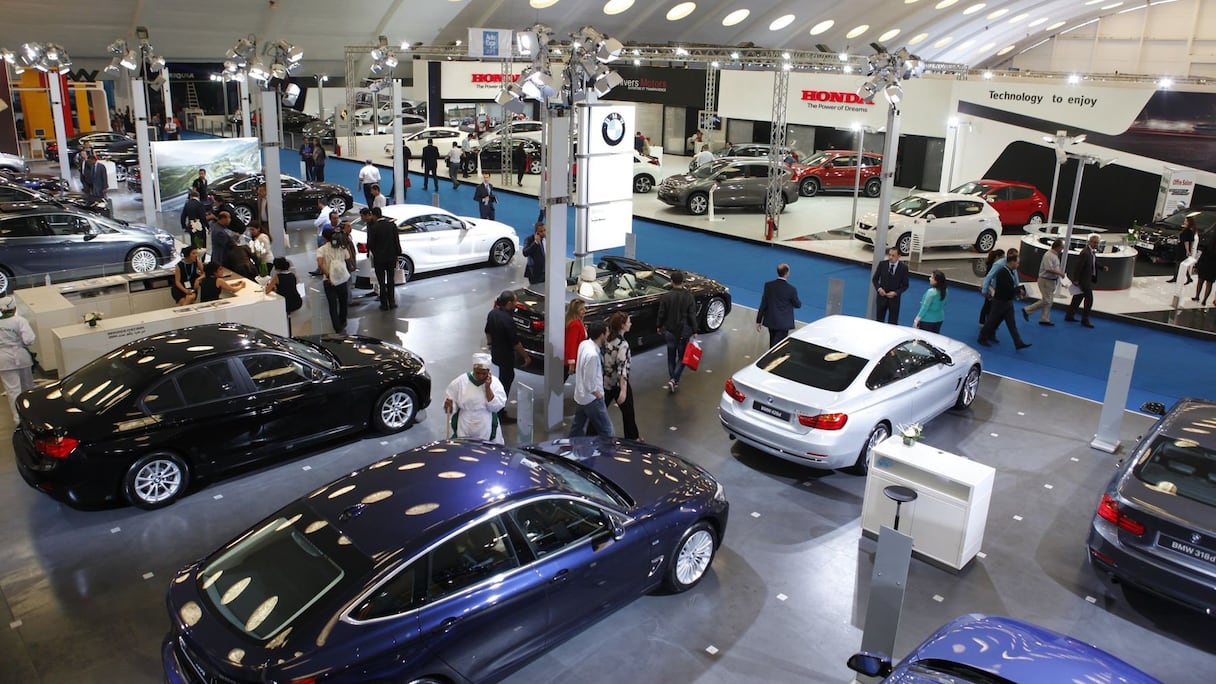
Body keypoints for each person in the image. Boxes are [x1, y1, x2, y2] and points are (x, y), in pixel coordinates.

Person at [485, 290, 530, 423]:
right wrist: (526, 356)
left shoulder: (492, 313)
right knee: (506, 380)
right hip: (506, 356)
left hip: (496, 353)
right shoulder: (508, 320)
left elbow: (487, 331)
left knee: (502, 378)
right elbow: (515, 343)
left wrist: (490, 344)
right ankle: (499, 410)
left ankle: (498, 407)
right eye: (515, 301)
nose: (516, 304)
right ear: (509, 303)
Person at [444, 353, 508, 443]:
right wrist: (450, 406)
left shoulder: (495, 383)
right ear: (473, 369)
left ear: (489, 371)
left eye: (484, 373)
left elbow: (496, 407)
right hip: (465, 423)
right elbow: (451, 402)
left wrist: (488, 388)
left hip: (485, 422)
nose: (480, 376)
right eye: (477, 373)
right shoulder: (461, 381)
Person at [568, 322, 614, 438]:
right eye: (607, 332)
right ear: (601, 335)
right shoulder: (593, 355)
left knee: (576, 430)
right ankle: (608, 454)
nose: (608, 334)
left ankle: (571, 451)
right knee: (608, 432)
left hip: (581, 396)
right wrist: (598, 394)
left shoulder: (584, 344)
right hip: (592, 399)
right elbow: (589, 382)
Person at [979, 253, 1031, 350]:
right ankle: (982, 338)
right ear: (1012, 262)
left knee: (1011, 324)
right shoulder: (1002, 272)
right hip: (1000, 301)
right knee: (991, 321)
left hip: (1007, 302)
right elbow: (1006, 288)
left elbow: (1011, 287)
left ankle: (1018, 342)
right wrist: (1019, 291)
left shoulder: (1010, 272)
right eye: (1017, 263)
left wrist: (1018, 291)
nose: (1018, 265)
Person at [656, 270, 697, 393]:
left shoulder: (666, 296)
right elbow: (692, 315)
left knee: (671, 356)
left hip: (670, 330)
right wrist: (695, 329)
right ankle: (674, 379)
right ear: (682, 281)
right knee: (683, 357)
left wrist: (659, 326)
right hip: (684, 331)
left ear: (671, 281)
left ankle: (673, 379)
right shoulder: (689, 296)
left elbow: (661, 314)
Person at [603, 312, 639, 439]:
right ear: (623, 325)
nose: (631, 323)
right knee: (628, 413)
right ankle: (632, 440)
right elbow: (622, 367)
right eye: (629, 322)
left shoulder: (607, 340)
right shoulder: (623, 344)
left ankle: (590, 437)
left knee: (601, 411)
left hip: (606, 382)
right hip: (618, 384)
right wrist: (623, 390)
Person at [0, 296, 35, 424]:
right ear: (14, 308)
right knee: (28, 387)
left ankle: (18, 419)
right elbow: (29, 339)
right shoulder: (20, 321)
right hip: (21, 356)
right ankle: (31, 414)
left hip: (3, 359)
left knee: (12, 390)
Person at [756, 263, 801, 347]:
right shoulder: (791, 289)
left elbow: (764, 303)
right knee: (777, 347)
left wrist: (758, 320)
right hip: (783, 324)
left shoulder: (769, 286)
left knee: (772, 344)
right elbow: (798, 304)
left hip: (771, 321)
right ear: (787, 273)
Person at [366, 206, 401, 310]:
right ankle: (392, 302)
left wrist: (376, 253)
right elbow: (396, 241)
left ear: (374, 215)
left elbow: (370, 244)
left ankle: (384, 304)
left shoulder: (374, 228)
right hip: (391, 258)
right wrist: (397, 254)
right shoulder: (392, 226)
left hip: (379, 259)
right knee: (391, 280)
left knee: (381, 282)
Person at [1066, 234, 1105, 328]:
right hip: (1084, 281)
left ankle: (1069, 315)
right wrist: (1075, 279)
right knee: (1089, 300)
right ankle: (1085, 319)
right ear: (1090, 242)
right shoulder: (1085, 253)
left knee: (1077, 298)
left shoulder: (1091, 252)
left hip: (1087, 279)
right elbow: (1078, 267)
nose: (1096, 244)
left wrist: (1101, 267)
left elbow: (1093, 263)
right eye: (1095, 242)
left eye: (1097, 243)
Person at [316, 228, 351, 332]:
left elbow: (320, 264)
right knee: (343, 301)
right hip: (342, 279)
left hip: (328, 281)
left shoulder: (321, 249)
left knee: (332, 305)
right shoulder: (341, 247)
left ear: (324, 237)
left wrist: (328, 275)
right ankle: (343, 321)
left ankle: (337, 327)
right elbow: (348, 257)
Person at [1024, 239, 1065, 326]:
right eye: (1062, 247)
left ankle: (1044, 319)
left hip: (1051, 281)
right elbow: (1048, 268)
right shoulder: (1049, 255)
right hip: (1045, 280)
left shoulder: (1054, 255)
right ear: (1058, 247)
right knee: (1047, 300)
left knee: (1049, 301)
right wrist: (1060, 273)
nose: (1062, 249)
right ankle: (1027, 310)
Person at [872, 247, 909, 324]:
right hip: (881, 298)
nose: (890, 257)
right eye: (889, 255)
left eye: (893, 255)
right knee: (879, 321)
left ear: (899, 256)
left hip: (894, 300)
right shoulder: (882, 264)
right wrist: (879, 289)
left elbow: (905, 285)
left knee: (893, 323)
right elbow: (875, 279)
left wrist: (895, 293)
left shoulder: (903, 268)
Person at [265, 257, 303, 331]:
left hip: (286, 304)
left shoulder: (277, 277)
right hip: (297, 301)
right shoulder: (292, 275)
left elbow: (267, 290)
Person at [977, 248, 1004, 328]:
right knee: (987, 305)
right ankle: (983, 322)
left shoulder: (994, 264)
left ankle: (986, 322)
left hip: (991, 287)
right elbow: (988, 277)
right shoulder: (994, 266)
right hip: (990, 287)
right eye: (1002, 256)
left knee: (989, 305)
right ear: (998, 257)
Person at [1167, 216, 1196, 284]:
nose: (1184, 222)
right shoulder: (1190, 231)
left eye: (1185, 221)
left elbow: (1186, 242)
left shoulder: (1187, 231)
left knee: (1178, 263)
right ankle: (1188, 278)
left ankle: (1175, 278)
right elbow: (1191, 241)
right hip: (1183, 248)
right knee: (1182, 264)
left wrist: (1187, 251)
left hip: (1182, 249)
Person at [564, 299, 587, 381]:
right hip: (569, 360)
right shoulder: (575, 324)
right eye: (581, 309)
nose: (584, 311)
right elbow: (571, 344)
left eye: (584, 308)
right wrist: (572, 363)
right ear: (575, 311)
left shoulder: (576, 322)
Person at [1193, 230, 1216, 306]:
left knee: (1200, 281)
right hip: (1213, 267)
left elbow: (1202, 255)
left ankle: (1197, 296)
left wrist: (1197, 265)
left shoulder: (1209, 243)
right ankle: (1204, 300)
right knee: (1209, 284)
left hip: (1205, 264)